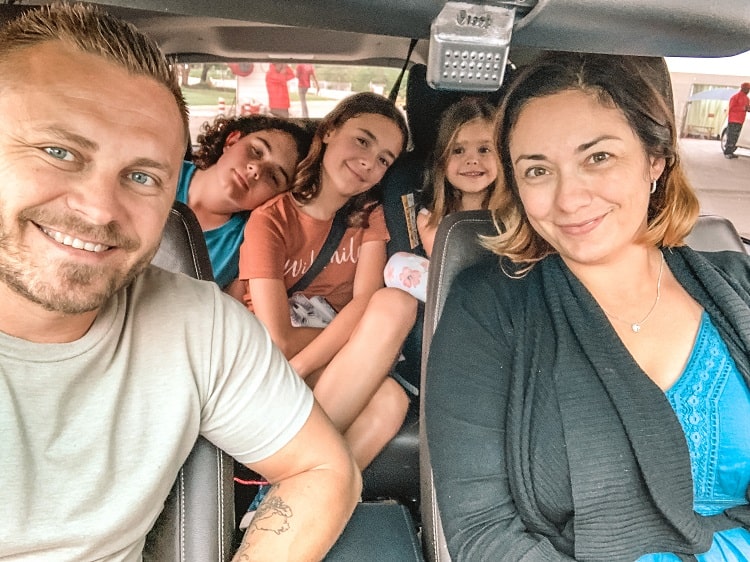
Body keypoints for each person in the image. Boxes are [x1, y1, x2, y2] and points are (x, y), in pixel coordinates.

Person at [0, 4, 360, 561]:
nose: (99, 210)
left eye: (142, 176)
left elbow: (323, 468)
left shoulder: (202, 322)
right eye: (59, 152)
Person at [425, 51, 750, 561]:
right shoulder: (486, 310)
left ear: (655, 161)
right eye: (537, 170)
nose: (569, 199)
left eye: (598, 157)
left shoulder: (735, 287)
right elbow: (484, 533)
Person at [238, 92, 417, 471]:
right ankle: (301, 482)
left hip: (328, 354)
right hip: (276, 356)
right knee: (390, 393)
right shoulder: (271, 220)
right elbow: (278, 338)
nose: (369, 161)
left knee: (393, 386)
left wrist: (309, 365)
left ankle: (285, 493)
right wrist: (360, 343)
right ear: (330, 131)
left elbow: (367, 300)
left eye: (384, 159)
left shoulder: (370, 215)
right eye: (362, 140)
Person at [384, 97, 504, 301]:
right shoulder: (431, 219)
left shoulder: (517, 212)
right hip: (457, 297)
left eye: (485, 149)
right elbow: (448, 271)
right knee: (398, 265)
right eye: (458, 151)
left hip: (507, 295)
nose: (473, 160)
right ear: (442, 161)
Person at [177, 114, 312, 292]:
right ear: (231, 141)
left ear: (276, 197)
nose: (256, 169)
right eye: (256, 151)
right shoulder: (161, 173)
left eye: (273, 177)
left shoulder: (250, 243)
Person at [723, 81, 750, 159]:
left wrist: (748, 109)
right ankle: (727, 152)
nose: (748, 91)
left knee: (735, 137)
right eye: (747, 89)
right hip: (733, 120)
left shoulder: (747, 99)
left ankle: (731, 151)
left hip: (741, 120)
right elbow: (731, 108)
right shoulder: (735, 97)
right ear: (743, 88)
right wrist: (743, 108)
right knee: (731, 136)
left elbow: (747, 108)